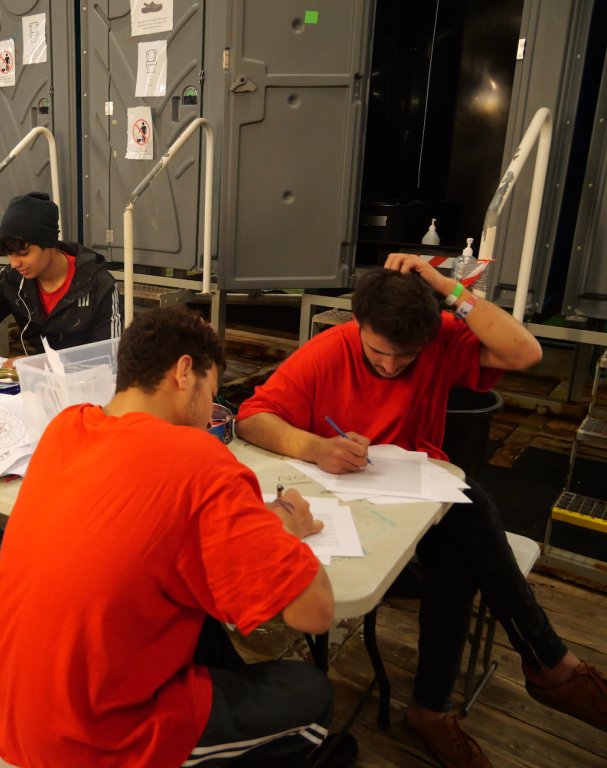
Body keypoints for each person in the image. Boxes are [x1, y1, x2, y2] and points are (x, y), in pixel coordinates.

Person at [236, 253, 607, 768]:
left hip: (422, 502)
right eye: (378, 352)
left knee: (462, 529)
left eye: (404, 359)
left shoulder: (441, 340)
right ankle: (526, 671)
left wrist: (446, 287)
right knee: (467, 529)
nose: (389, 367)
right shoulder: (327, 351)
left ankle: (474, 694)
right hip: (358, 510)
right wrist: (316, 447)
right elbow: (252, 418)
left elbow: (525, 352)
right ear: (359, 324)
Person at [0, 306, 356, 767]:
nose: (206, 419)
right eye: (211, 396)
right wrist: (286, 528)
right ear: (184, 372)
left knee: (199, 624)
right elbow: (314, 613)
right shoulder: (200, 458)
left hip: (11, 709)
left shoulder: (67, 427)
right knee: (311, 692)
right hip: (91, 745)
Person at [0, 192, 120, 365]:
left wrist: (43, 364)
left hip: (85, 386)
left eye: (23, 253)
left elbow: (109, 358)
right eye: (9, 254)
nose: (15, 263)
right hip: (33, 384)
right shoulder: (13, 278)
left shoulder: (98, 284)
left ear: (49, 244)